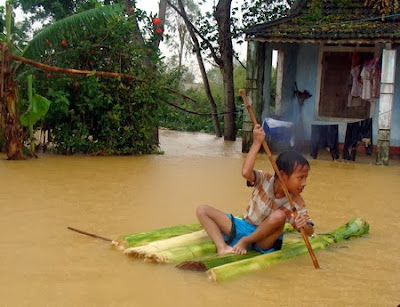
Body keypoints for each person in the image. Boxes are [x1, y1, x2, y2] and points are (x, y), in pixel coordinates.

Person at [196, 124, 314, 255]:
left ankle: (246, 241)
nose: (304, 183)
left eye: (305, 178)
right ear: (283, 175)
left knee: (280, 215)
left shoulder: (297, 201)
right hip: (244, 227)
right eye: (300, 178)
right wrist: (257, 143)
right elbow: (246, 172)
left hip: (264, 240)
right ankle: (222, 247)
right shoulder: (265, 179)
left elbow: (310, 230)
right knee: (202, 210)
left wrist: (302, 226)